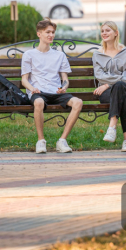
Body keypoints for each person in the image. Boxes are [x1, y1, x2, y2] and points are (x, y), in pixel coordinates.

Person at [21, 18, 83, 154]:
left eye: (53, 32)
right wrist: (32, 89)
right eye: (47, 32)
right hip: (38, 93)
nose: (51, 35)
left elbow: (65, 79)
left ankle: (62, 141)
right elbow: (24, 80)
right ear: (39, 34)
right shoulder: (29, 55)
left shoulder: (60, 55)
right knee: (38, 102)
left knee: (78, 102)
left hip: (56, 93)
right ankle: (41, 141)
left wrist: (64, 87)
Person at [92, 21, 126, 152]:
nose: (104, 33)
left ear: (116, 33)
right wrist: (121, 80)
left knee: (120, 87)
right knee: (125, 97)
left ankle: (112, 126)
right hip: (108, 94)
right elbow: (100, 76)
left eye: (108, 30)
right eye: (102, 31)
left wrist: (107, 84)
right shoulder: (97, 54)